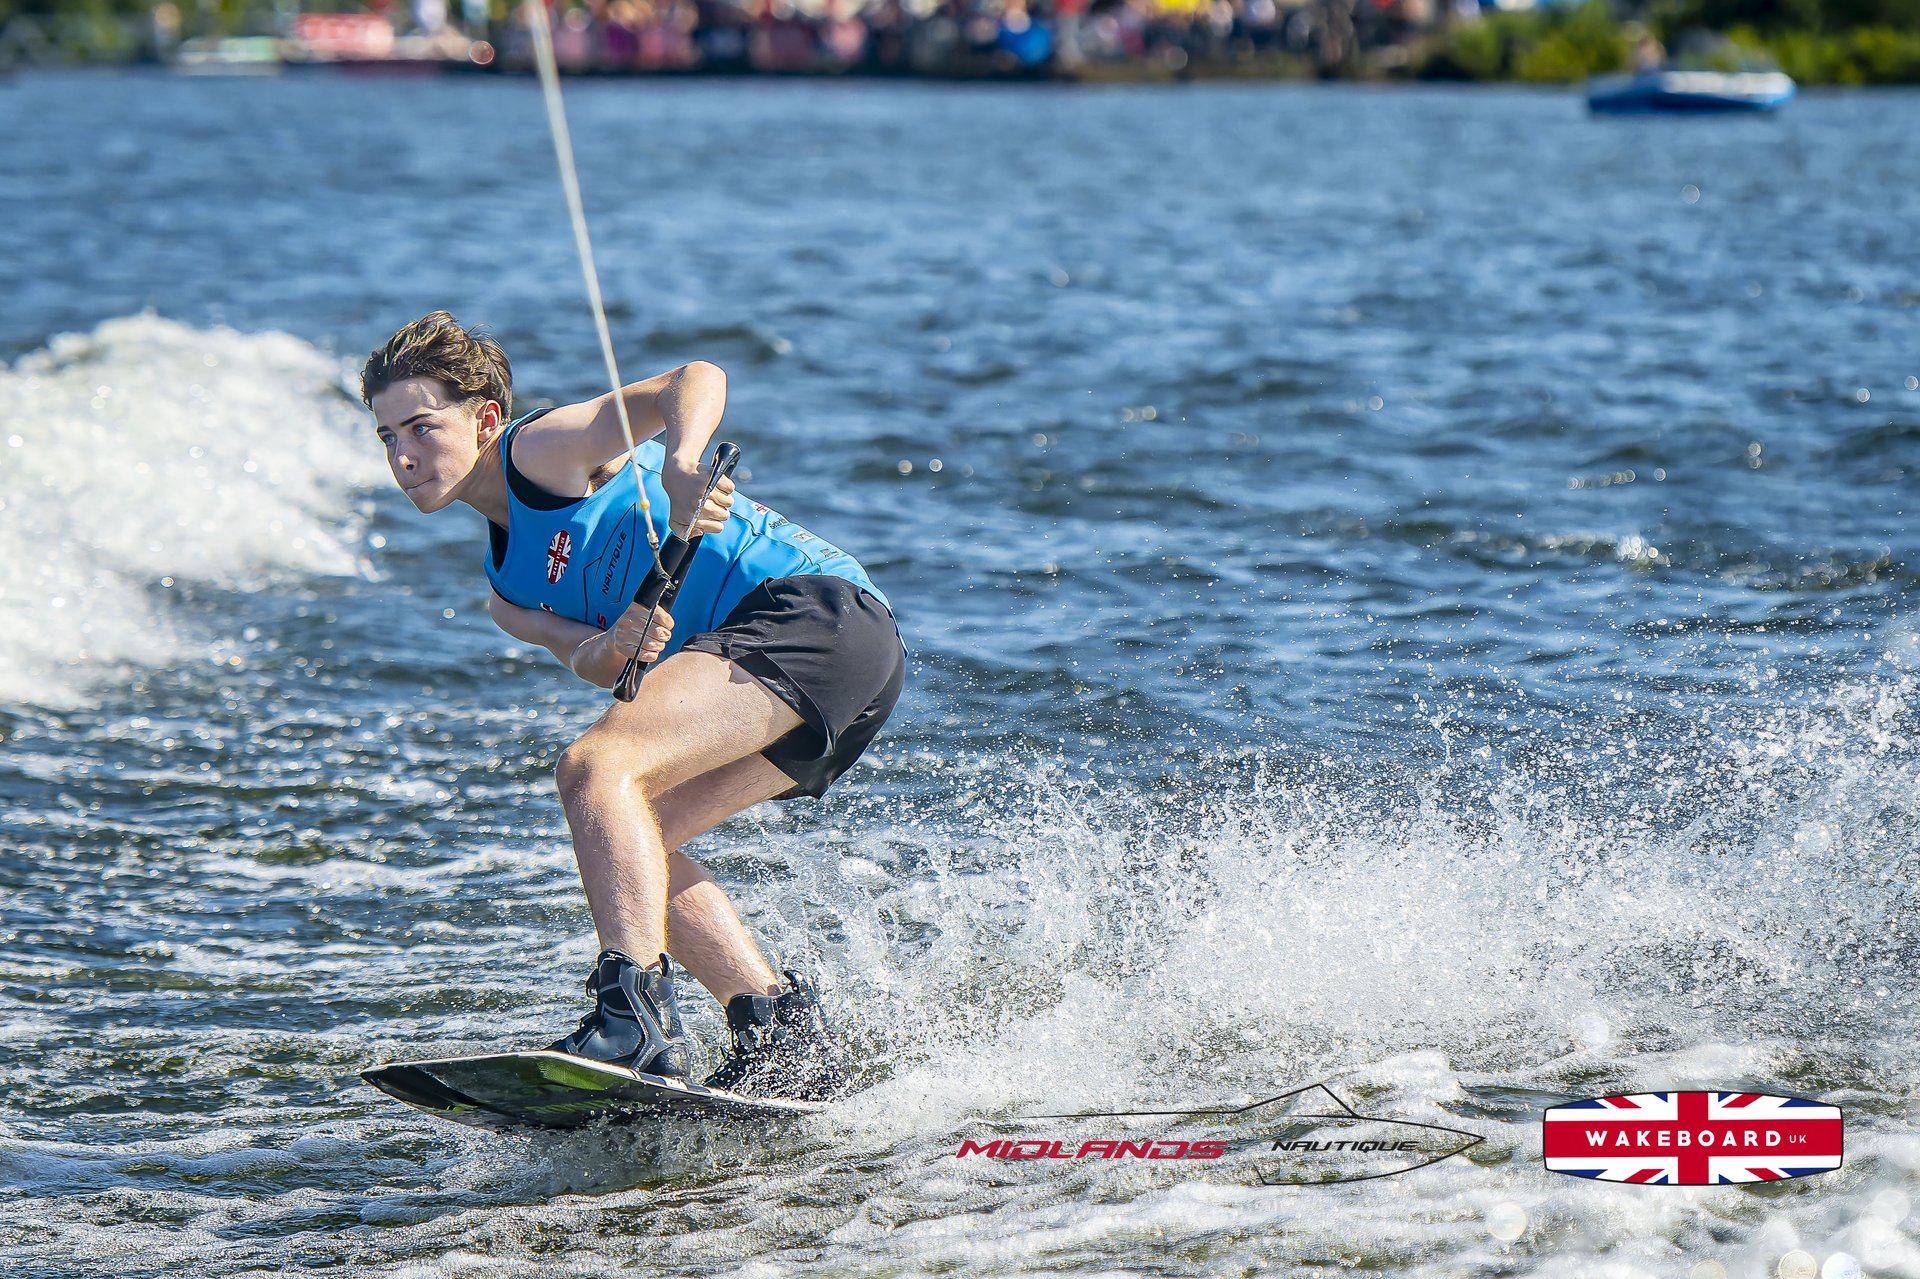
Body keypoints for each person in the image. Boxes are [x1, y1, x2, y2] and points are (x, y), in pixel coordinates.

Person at [359, 311, 905, 1100]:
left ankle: (633, 1023)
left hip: (820, 614)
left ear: (483, 420)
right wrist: (614, 644)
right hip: (830, 673)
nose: (403, 456)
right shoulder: (508, 596)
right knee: (639, 843)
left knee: (595, 768)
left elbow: (695, 377)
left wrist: (683, 462)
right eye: (386, 439)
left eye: (419, 427)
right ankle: (782, 1032)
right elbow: (587, 659)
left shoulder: (540, 451)